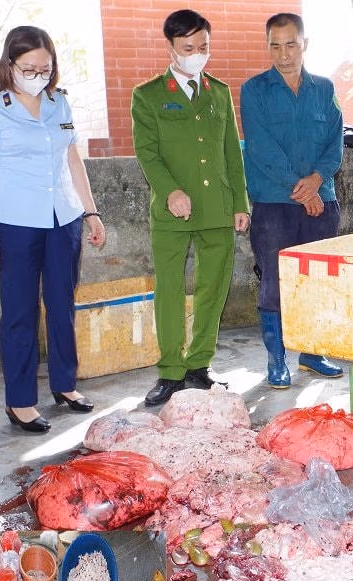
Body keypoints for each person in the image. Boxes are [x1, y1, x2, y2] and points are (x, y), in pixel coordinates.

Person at [0, 25, 105, 433]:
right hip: (15, 226)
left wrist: (91, 212)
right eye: (29, 68)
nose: (38, 75)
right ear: (10, 64)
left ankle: (65, 385)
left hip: (63, 220)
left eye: (45, 68)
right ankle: (20, 401)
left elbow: (73, 161)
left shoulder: (59, 103)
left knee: (62, 304)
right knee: (19, 313)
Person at [131, 9, 250, 406]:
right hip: (172, 212)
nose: (197, 54)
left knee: (212, 288)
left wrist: (240, 202)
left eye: (203, 46)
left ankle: (199, 365)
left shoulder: (219, 91)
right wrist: (169, 191)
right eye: (188, 48)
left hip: (217, 207)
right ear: (171, 47)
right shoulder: (148, 95)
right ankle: (170, 371)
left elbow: (232, 153)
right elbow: (148, 153)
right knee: (169, 289)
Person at [240, 12, 344, 389]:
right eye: (275, 46)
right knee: (275, 281)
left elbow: (335, 143)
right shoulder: (254, 90)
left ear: (305, 44)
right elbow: (261, 147)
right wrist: (302, 189)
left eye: (291, 45)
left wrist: (316, 182)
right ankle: (277, 359)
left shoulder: (324, 89)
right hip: (274, 204)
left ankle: (312, 354)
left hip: (321, 203)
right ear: (267, 46)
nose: (284, 54)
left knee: (318, 282)